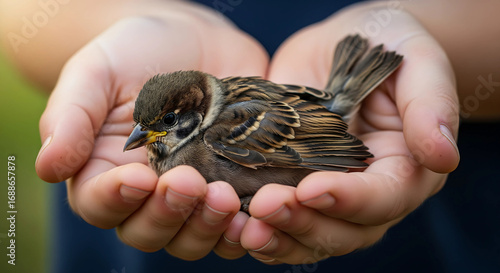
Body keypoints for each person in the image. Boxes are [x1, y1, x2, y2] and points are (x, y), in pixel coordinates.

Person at [1, 0, 499, 272]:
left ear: (196, 111)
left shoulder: (223, 133)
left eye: (162, 127)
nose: (144, 138)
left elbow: (308, 133)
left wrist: (349, 155)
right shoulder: (178, 128)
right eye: (144, 128)